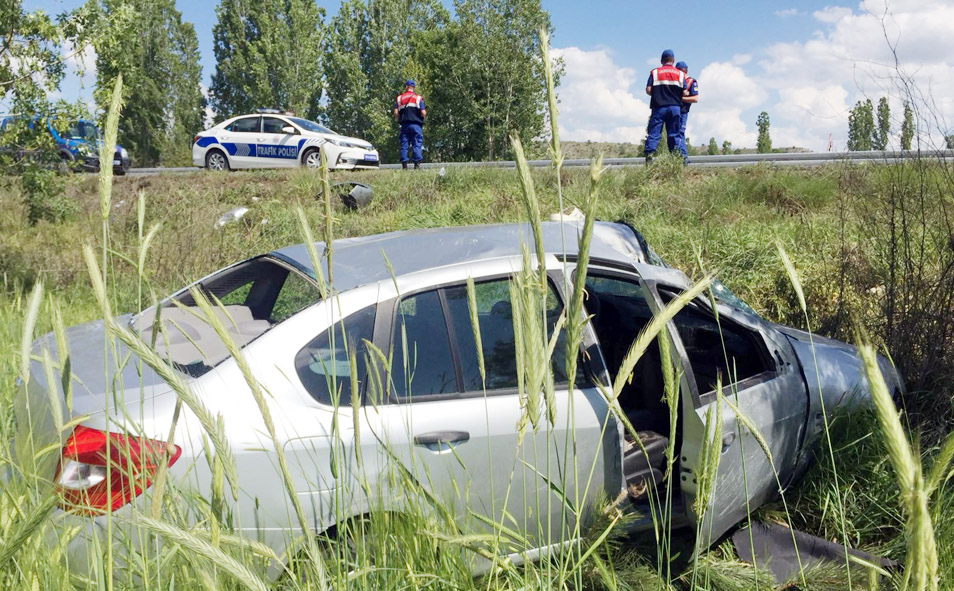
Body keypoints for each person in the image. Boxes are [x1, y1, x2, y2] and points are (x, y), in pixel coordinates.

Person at [644, 49, 687, 165]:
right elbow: (685, 93)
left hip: (659, 107)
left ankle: (649, 158)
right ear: (673, 60)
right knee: (674, 134)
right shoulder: (681, 74)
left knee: (654, 133)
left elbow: (648, 90)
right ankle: (676, 160)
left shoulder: (655, 72)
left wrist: (659, 94)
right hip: (675, 108)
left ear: (661, 60)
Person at [393, 79, 426, 169]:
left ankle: (404, 166)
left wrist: (398, 119)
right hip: (416, 125)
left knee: (404, 144)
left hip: (404, 125)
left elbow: (396, 113)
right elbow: (423, 113)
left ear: (406, 87)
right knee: (416, 144)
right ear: (413, 88)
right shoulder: (418, 98)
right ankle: (417, 165)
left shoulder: (399, 98)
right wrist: (422, 118)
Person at [667, 61, 698, 154]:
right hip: (672, 112)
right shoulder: (675, 82)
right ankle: (674, 157)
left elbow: (695, 98)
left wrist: (680, 98)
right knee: (671, 136)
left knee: (679, 134)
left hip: (682, 112)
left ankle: (682, 159)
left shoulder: (691, 82)